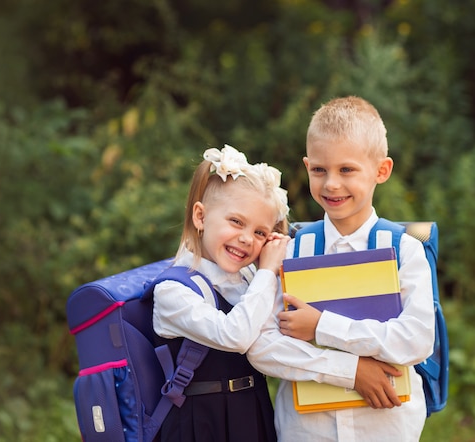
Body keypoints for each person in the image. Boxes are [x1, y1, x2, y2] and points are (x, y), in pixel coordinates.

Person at [247, 96, 435, 441]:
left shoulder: (402, 249)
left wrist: (322, 327)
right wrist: (352, 371)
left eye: (346, 169)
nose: (331, 183)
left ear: (382, 170)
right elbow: (261, 346)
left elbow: (417, 340)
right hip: (306, 430)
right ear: (306, 167)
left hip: (386, 427)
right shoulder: (289, 250)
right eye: (319, 170)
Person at [153, 144, 291, 442]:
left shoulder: (249, 277)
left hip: (252, 411)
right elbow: (235, 336)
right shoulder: (174, 291)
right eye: (236, 222)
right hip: (200, 423)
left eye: (260, 233)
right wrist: (267, 272)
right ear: (200, 217)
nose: (246, 239)